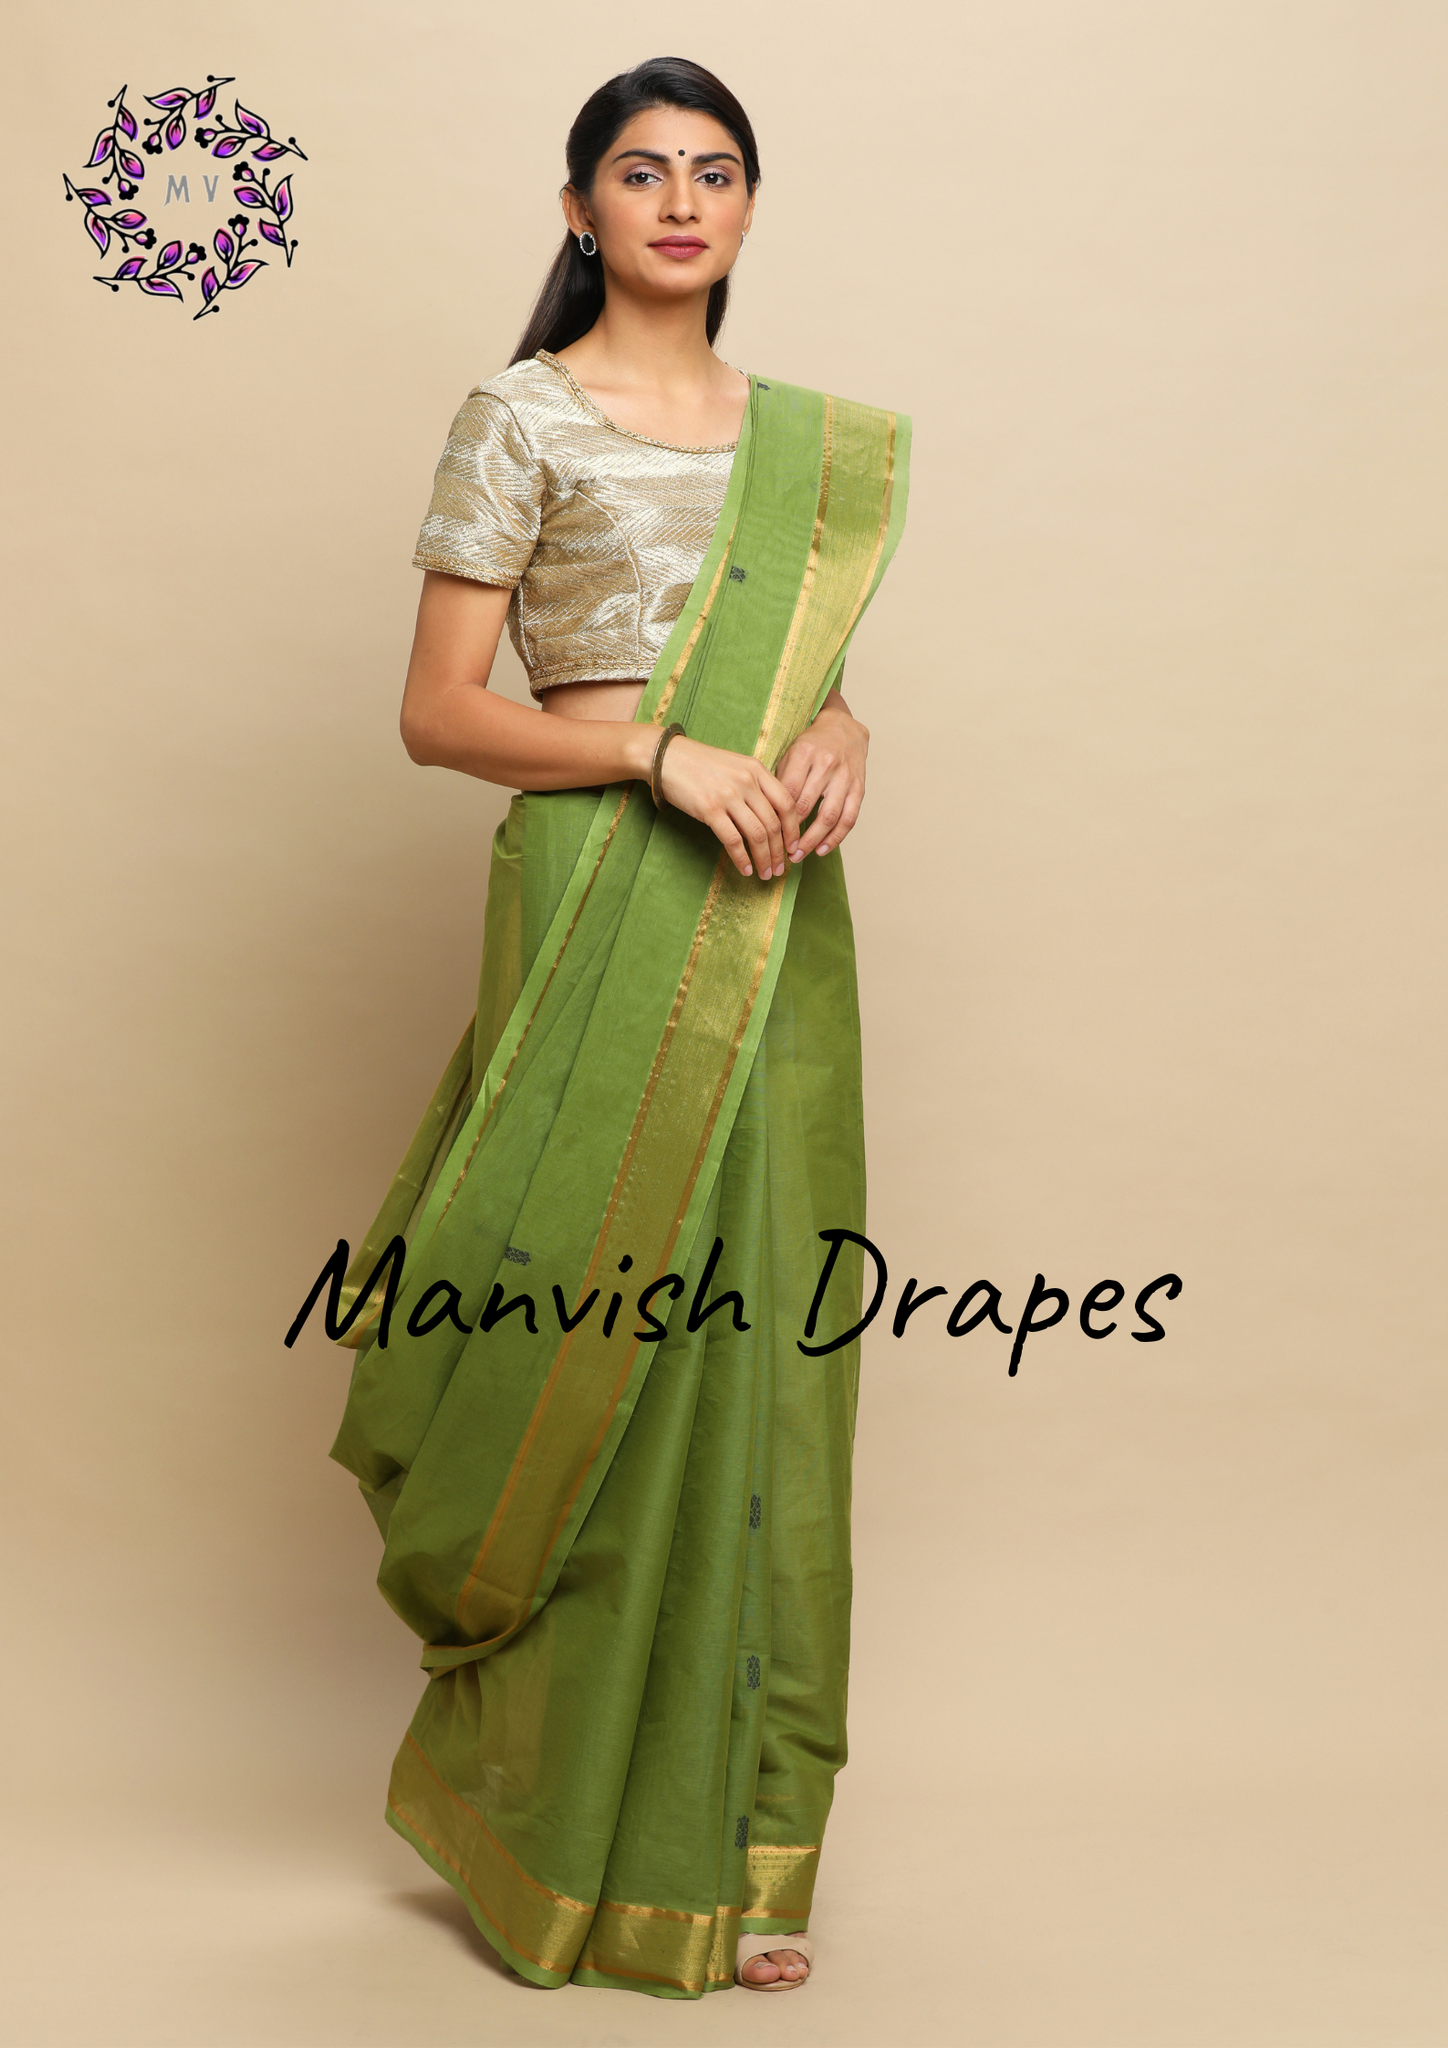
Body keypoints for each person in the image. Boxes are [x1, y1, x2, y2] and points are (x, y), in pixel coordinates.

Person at [326, 55, 910, 1999]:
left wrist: (840, 731)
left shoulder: (805, 446)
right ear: (579, 208)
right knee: (582, 1344)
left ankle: (729, 1849)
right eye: (640, 171)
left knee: (755, 1364)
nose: (679, 200)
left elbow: (812, 679)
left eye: (714, 171)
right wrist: (655, 753)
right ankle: (552, 1832)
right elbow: (437, 710)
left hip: (772, 912)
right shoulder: (521, 416)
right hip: (597, 890)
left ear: (748, 208)